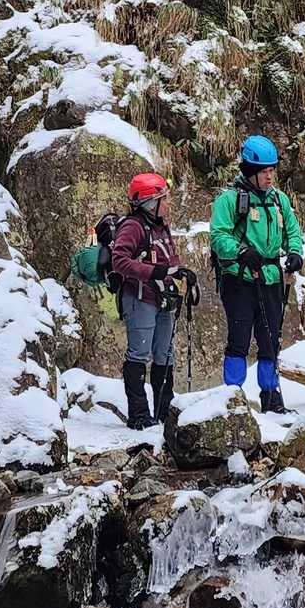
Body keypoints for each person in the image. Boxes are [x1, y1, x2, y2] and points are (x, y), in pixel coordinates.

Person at [210, 136, 303, 413]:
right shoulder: (229, 201)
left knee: (270, 340)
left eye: (272, 170)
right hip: (240, 280)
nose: (269, 177)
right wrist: (240, 251)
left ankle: (271, 397)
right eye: (264, 172)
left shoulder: (279, 200)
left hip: (271, 279)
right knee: (238, 339)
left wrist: (295, 252)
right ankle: (233, 397)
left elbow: (292, 231)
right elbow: (218, 236)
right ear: (250, 172)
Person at [102, 173, 194, 430]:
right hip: (140, 298)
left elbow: (169, 258)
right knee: (139, 353)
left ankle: (164, 411)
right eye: (164, 198)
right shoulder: (133, 226)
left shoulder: (161, 226)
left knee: (165, 353)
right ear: (150, 203)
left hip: (163, 298)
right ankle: (139, 414)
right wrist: (155, 272)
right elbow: (119, 260)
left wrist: (181, 272)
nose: (168, 203)